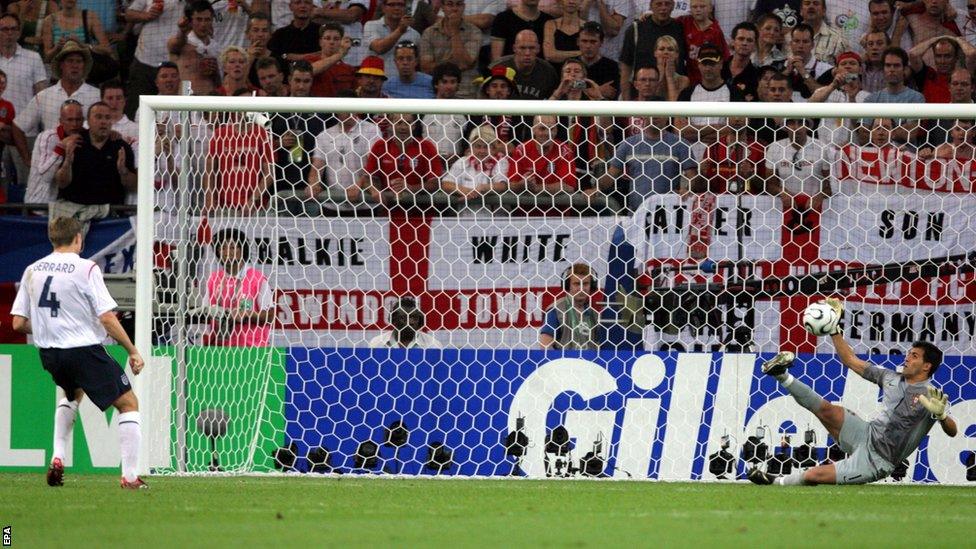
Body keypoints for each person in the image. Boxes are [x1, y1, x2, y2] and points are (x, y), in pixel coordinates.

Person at [749, 299, 958, 486]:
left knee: (813, 475)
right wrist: (833, 330)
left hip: (876, 461)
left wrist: (941, 416)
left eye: (914, 356)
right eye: (908, 354)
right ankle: (781, 374)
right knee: (827, 409)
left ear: (926, 366)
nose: (907, 358)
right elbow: (851, 360)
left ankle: (775, 481)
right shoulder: (890, 377)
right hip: (865, 433)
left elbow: (952, 431)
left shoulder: (932, 396)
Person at [10, 216, 147, 489]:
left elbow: (17, 323)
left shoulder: (32, 270)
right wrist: (132, 350)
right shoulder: (86, 268)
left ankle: (58, 456)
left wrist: (53, 328)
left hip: (50, 354)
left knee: (71, 393)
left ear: (52, 239)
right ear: (78, 239)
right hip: (82, 349)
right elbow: (107, 318)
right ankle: (130, 478)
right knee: (128, 404)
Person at [51, 101, 136, 225]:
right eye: (98, 117)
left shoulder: (121, 147)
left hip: (110, 217)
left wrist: (124, 172)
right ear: (88, 121)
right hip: (74, 211)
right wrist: (67, 163)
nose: (103, 122)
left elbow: (134, 186)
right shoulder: (74, 142)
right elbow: (61, 183)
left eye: (107, 118)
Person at [205, 228, 274, 347]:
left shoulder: (257, 278)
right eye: (222, 248)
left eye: (232, 247)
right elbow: (204, 312)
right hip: (219, 349)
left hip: (252, 350)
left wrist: (248, 314)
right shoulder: (214, 279)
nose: (227, 252)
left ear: (243, 250)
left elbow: (270, 315)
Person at [619, 0, 686, 100]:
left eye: (667, 4)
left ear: (673, 6)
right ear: (651, 6)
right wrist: (626, 101)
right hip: (641, 95)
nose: (663, 8)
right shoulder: (636, 29)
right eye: (659, 4)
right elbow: (625, 68)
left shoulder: (681, 28)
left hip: (672, 94)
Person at [24, 99, 84, 205]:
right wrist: (61, 147)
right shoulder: (47, 137)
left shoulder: (82, 136)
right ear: (61, 121)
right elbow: (45, 176)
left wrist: (111, 133)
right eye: (69, 120)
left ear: (83, 120)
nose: (74, 124)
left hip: (64, 204)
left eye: (78, 120)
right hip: (39, 205)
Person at [419, 0, 481, 98]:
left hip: (466, 93)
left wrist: (454, 30)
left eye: (459, 4)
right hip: (436, 93)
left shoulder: (474, 32)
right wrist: (451, 62)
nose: (455, 9)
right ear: (442, 7)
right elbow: (426, 67)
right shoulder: (429, 33)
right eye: (450, 4)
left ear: (464, 7)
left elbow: (463, 63)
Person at [539, 263, 604, 350]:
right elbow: (545, 345)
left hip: (588, 363)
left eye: (585, 284)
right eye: (577, 284)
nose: (581, 288)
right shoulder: (556, 310)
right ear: (567, 285)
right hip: (565, 362)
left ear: (591, 286)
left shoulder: (594, 314)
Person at [167, 0, 221, 95]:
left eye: (207, 19)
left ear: (212, 20)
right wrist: (182, 31)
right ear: (190, 21)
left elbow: (219, 83)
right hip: (187, 102)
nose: (203, 24)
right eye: (199, 19)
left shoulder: (215, 46)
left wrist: (214, 72)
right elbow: (175, 44)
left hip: (210, 103)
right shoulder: (182, 43)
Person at [491, 29, 558, 100]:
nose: (527, 53)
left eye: (532, 48)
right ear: (514, 48)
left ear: (538, 49)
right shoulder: (498, 68)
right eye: (522, 48)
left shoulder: (548, 71)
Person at [362, 0, 420, 70]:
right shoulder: (371, 25)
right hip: (376, 78)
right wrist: (400, 30)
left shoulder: (414, 34)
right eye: (392, 5)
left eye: (400, 5)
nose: (397, 8)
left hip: (402, 80)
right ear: (383, 8)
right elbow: (379, 48)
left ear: (405, 8)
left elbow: (417, 63)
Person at [303, 22, 355, 97]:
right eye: (327, 38)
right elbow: (307, 72)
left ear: (341, 42)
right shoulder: (308, 60)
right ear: (320, 42)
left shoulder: (349, 69)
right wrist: (340, 54)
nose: (331, 42)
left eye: (336, 39)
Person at [368, 297, 440, 348]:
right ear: (393, 320)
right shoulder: (377, 343)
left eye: (414, 317)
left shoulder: (432, 345)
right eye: (404, 318)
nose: (411, 322)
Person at [723, 22, 760, 101]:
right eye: (741, 39)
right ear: (733, 42)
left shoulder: (757, 76)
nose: (744, 43)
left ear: (755, 46)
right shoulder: (719, 68)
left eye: (749, 40)